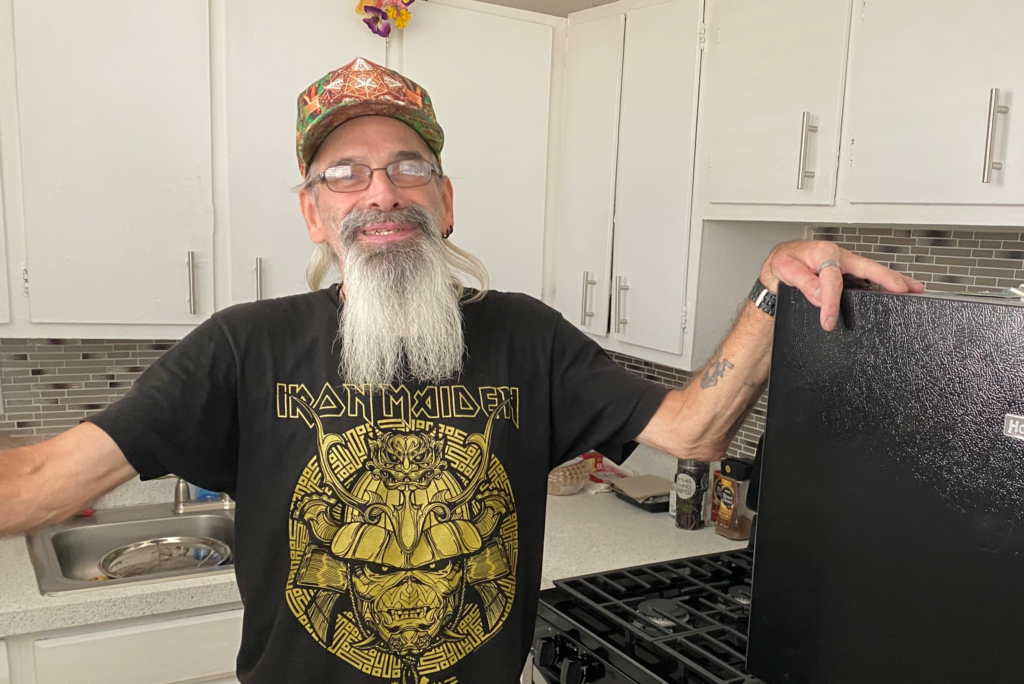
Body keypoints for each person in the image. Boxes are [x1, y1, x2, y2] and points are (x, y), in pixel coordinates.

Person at [0, 58, 923, 683]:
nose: (381, 191)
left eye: (408, 165)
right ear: (313, 214)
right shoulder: (243, 346)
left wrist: (771, 290)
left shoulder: (526, 338)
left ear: (443, 201)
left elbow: (693, 430)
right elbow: (39, 486)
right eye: (345, 173)